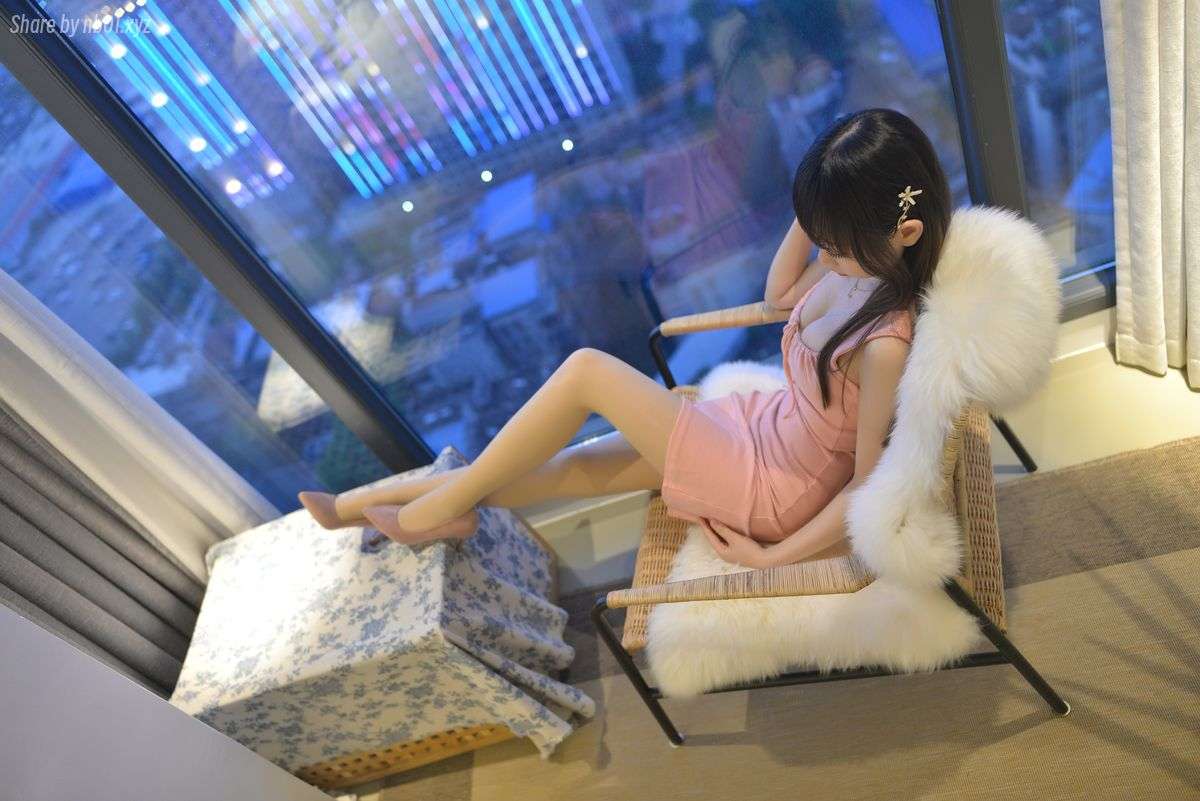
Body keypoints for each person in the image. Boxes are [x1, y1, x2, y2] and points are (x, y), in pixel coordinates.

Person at [298, 108, 951, 570]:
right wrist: (819, 210)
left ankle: (423, 517)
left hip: (771, 488)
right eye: (822, 239)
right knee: (568, 470)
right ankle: (361, 505)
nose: (824, 255)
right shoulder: (857, 267)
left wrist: (771, 555)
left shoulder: (883, 344)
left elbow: (869, 484)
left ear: (906, 234)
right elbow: (781, 297)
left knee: (587, 370)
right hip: (755, 430)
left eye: (835, 244)